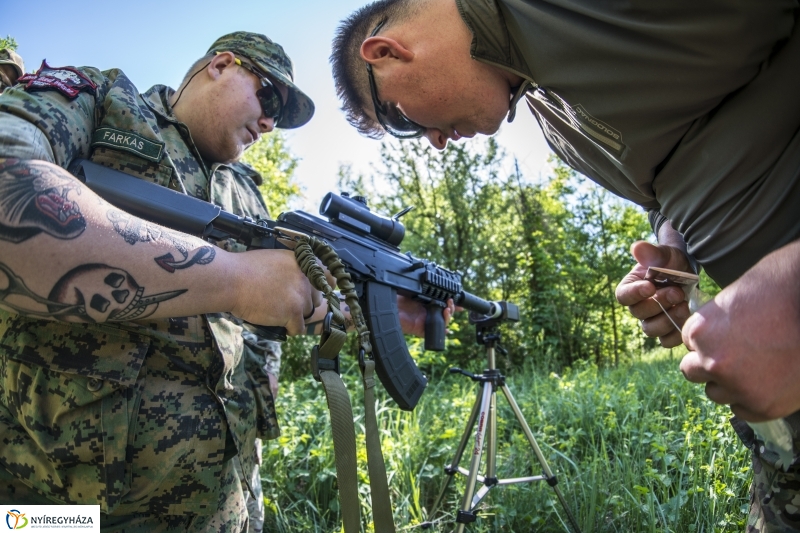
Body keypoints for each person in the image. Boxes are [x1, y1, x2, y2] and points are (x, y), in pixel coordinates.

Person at [330, 0, 800, 530]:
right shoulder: (552, 115)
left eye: (400, 122)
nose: (435, 142)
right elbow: (666, 186)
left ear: (387, 52)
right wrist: (673, 248)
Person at [0, 30, 444, 531]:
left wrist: (375, 308)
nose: (271, 122)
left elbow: (274, 309)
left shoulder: (247, 196)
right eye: (269, 96)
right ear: (221, 65)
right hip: (65, 507)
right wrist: (234, 279)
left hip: (227, 496)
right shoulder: (96, 101)